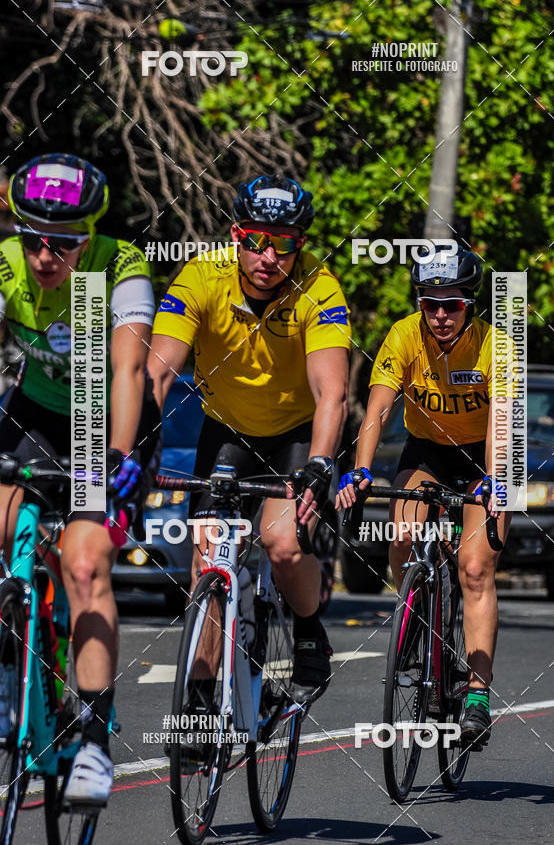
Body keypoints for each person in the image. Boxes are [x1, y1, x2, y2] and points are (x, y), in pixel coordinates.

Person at [147, 174, 351, 705]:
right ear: (236, 236)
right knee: (211, 559)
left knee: (283, 545)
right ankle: (199, 694)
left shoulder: (320, 287)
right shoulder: (202, 274)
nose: (267, 256)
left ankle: (309, 628)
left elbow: (333, 393)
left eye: (283, 243)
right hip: (227, 430)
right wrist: (136, 442)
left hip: (295, 433)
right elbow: (158, 372)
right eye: (254, 240)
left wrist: (322, 464)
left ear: (299, 245)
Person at [0, 153, 160, 807]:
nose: (44, 253)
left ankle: (93, 739)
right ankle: (19, 656)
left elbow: (127, 371)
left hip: (104, 422)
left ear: (88, 236)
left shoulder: (119, 266)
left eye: (62, 242)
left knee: (87, 564)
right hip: (35, 413)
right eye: (33, 235)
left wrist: (121, 456)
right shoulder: (7, 262)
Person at [337, 246, 512, 747]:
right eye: (429, 303)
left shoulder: (494, 345)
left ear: (469, 305)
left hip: (486, 453)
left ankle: (477, 695)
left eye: (451, 305)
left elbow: (503, 420)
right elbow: (378, 409)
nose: (439, 315)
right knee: (404, 533)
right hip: (428, 450)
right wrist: (361, 470)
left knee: (476, 568)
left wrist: (497, 480)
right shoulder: (403, 335)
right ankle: (417, 613)